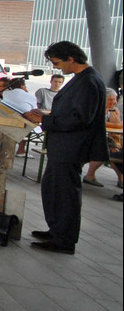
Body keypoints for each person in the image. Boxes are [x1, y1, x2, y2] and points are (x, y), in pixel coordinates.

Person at [21, 42, 107, 254]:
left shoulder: (88, 81)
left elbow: (80, 118)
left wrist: (45, 121)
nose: (57, 68)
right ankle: (57, 229)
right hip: (64, 146)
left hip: (71, 147)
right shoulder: (82, 79)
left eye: (58, 63)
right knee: (54, 189)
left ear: (71, 58)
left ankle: (64, 239)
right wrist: (46, 115)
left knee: (65, 193)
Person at [80, 88, 120, 189]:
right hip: (91, 138)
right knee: (104, 150)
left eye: (115, 99)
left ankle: (121, 178)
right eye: (110, 100)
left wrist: (113, 112)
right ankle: (90, 175)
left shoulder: (113, 110)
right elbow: (101, 124)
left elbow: (117, 124)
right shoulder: (96, 109)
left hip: (106, 138)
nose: (113, 102)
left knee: (116, 152)